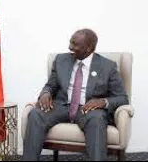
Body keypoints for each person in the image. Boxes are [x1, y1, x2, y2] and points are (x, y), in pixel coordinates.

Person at [23, 28, 129, 161]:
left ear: (89, 48)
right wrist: (45, 93)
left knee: (97, 119)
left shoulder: (108, 66)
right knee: (35, 114)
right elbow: (50, 85)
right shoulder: (61, 60)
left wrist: (102, 102)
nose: (70, 47)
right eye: (70, 42)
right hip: (61, 106)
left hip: (88, 110)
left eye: (75, 44)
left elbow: (122, 98)